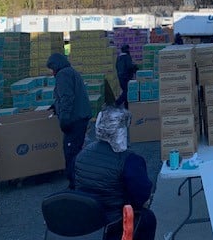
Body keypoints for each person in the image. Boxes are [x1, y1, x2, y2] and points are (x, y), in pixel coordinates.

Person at [74, 106, 157, 240]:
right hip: (116, 223)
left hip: (87, 221)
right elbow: (142, 196)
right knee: (148, 218)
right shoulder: (129, 160)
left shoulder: (82, 154)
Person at [46, 53, 92, 189]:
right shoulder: (71, 72)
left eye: (52, 68)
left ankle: (75, 183)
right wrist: (56, 106)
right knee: (76, 149)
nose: (52, 72)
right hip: (81, 116)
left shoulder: (63, 75)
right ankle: (78, 180)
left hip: (74, 119)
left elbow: (67, 97)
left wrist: (64, 119)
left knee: (71, 151)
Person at [115, 44, 139, 109]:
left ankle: (126, 106)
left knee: (125, 91)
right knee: (127, 91)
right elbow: (129, 66)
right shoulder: (126, 57)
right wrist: (135, 67)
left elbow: (116, 67)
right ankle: (117, 102)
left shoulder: (119, 57)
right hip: (126, 77)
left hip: (120, 77)